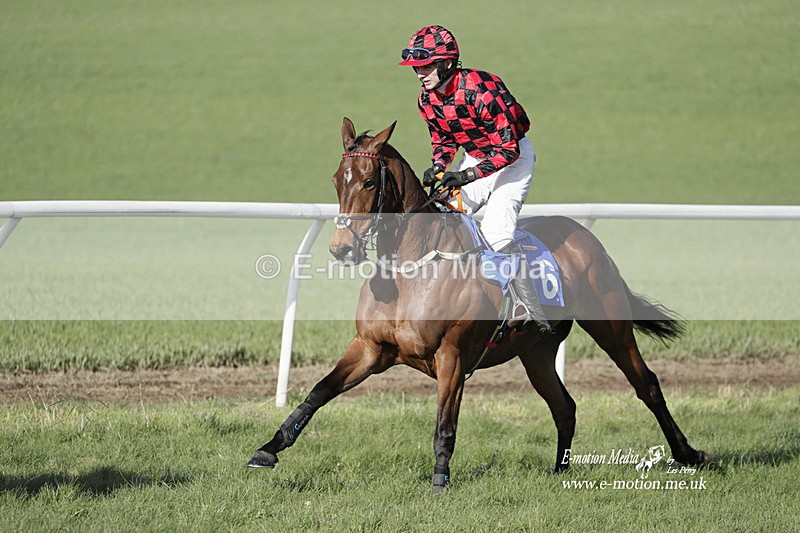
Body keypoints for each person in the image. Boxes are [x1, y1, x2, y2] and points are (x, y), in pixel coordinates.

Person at [398, 24, 550, 331]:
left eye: (426, 66)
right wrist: (438, 167)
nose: (419, 74)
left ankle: (527, 307)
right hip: (476, 156)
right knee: (441, 218)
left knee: (495, 231)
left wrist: (466, 175)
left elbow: (507, 150)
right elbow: (443, 140)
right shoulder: (427, 100)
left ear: (446, 63)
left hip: (514, 160)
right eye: (416, 68)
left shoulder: (481, 90)